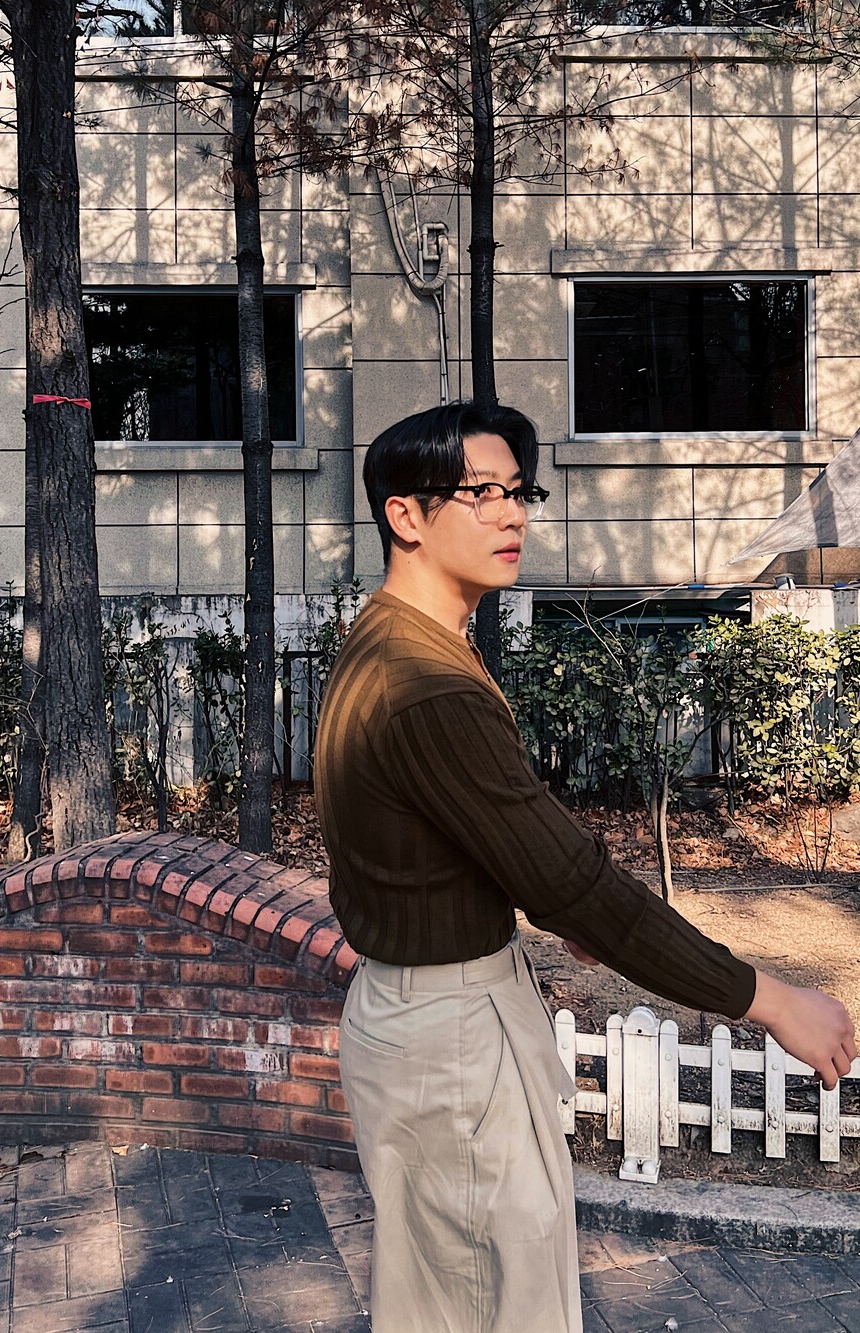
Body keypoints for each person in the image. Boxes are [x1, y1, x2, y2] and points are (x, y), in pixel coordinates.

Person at [313, 401, 857, 1333]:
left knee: (443, 1303)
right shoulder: (428, 683)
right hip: (453, 1042)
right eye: (480, 493)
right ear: (405, 515)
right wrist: (769, 999)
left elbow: (449, 836)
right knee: (507, 1308)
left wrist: (549, 898)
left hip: (416, 1023)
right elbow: (575, 883)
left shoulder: (388, 637)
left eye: (518, 491)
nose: (512, 513)